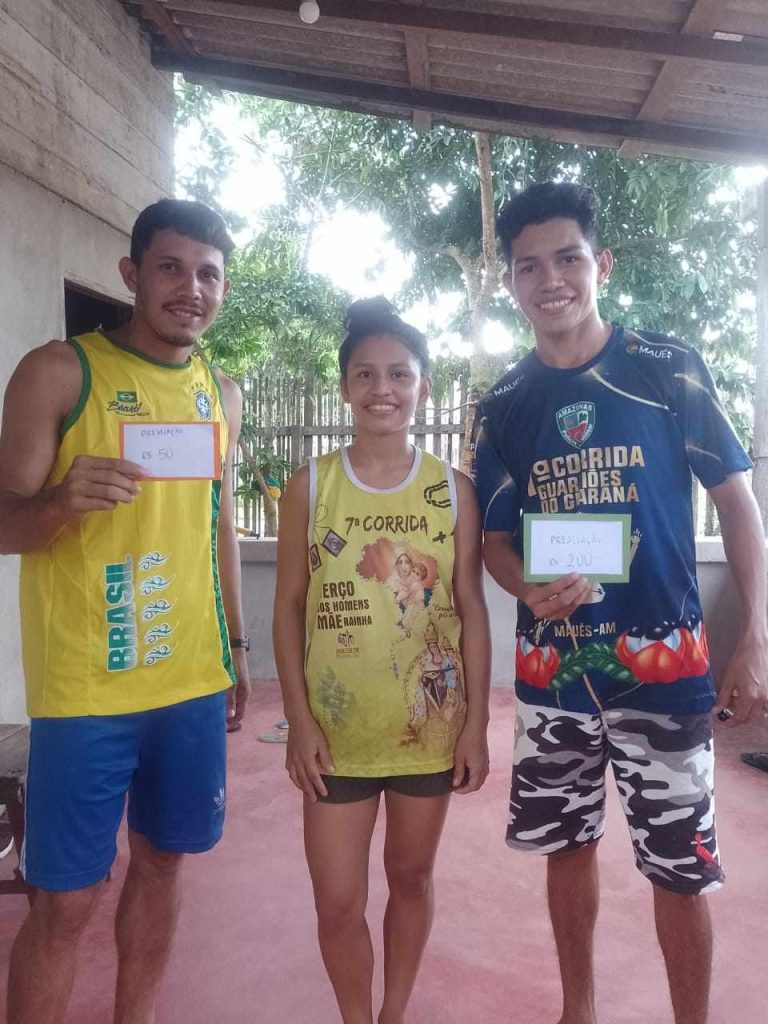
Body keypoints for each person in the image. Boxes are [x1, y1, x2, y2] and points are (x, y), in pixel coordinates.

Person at [474, 181, 768, 1024]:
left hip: (666, 673)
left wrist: (755, 640)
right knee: (566, 850)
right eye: (528, 266)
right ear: (511, 283)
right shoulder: (502, 405)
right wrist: (524, 585)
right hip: (553, 675)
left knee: (682, 867)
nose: (550, 279)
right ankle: (580, 1010)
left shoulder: (666, 367)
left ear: (599, 264)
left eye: (567, 257)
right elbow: (495, 538)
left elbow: (739, 506)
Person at [0, 198, 251, 1024]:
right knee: (65, 904)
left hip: (188, 681)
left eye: (209, 274)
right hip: (86, 691)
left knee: (164, 865)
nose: (191, 288)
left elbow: (216, 525)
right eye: (172, 267)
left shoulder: (223, 391)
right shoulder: (61, 372)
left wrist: (237, 649)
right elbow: (4, 522)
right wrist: (60, 504)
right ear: (132, 274)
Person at [273, 297, 490, 1024]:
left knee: (411, 878)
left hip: (428, 725)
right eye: (365, 374)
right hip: (335, 737)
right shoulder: (310, 487)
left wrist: (475, 725)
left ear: (422, 385)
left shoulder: (453, 492)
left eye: (399, 374)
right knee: (336, 902)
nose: (382, 390)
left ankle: (392, 1013)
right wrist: (298, 721)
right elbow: (289, 607)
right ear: (344, 387)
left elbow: (471, 607)